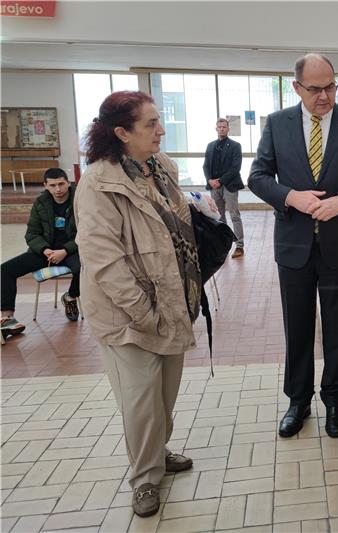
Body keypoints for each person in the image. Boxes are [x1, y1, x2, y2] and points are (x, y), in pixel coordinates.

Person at [74, 91, 199, 517]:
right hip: (127, 314)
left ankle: (158, 454)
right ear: (122, 132)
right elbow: (103, 260)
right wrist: (144, 314)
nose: (161, 130)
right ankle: (144, 479)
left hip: (171, 301)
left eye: (159, 121)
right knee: (141, 398)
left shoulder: (161, 167)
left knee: (165, 393)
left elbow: (171, 225)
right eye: (150, 124)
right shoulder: (97, 183)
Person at [248, 54, 338, 439]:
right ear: (296, 88)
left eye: (330, 87)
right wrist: (290, 196)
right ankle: (298, 400)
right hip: (294, 245)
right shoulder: (277, 124)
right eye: (315, 89)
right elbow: (257, 175)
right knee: (298, 324)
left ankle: (336, 400)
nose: (324, 96)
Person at [1, 168, 81, 338]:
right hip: (47, 252)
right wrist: (45, 250)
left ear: (68, 182)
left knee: (86, 267)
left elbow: (87, 231)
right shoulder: (40, 203)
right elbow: (32, 234)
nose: (58, 189)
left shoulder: (80, 199)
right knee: (5, 270)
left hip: (73, 250)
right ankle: (7, 319)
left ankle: (71, 298)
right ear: (46, 186)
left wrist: (65, 250)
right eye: (52, 185)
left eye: (61, 184)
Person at [203, 117, 244, 258]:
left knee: (234, 215)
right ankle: (224, 245)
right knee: (219, 216)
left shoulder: (235, 146)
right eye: (219, 127)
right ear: (216, 129)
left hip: (229, 185)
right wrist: (210, 180)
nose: (222, 129)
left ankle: (239, 246)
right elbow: (206, 165)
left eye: (224, 127)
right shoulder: (210, 146)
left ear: (228, 129)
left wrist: (220, 180)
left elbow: (235, 168)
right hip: (214, 186)